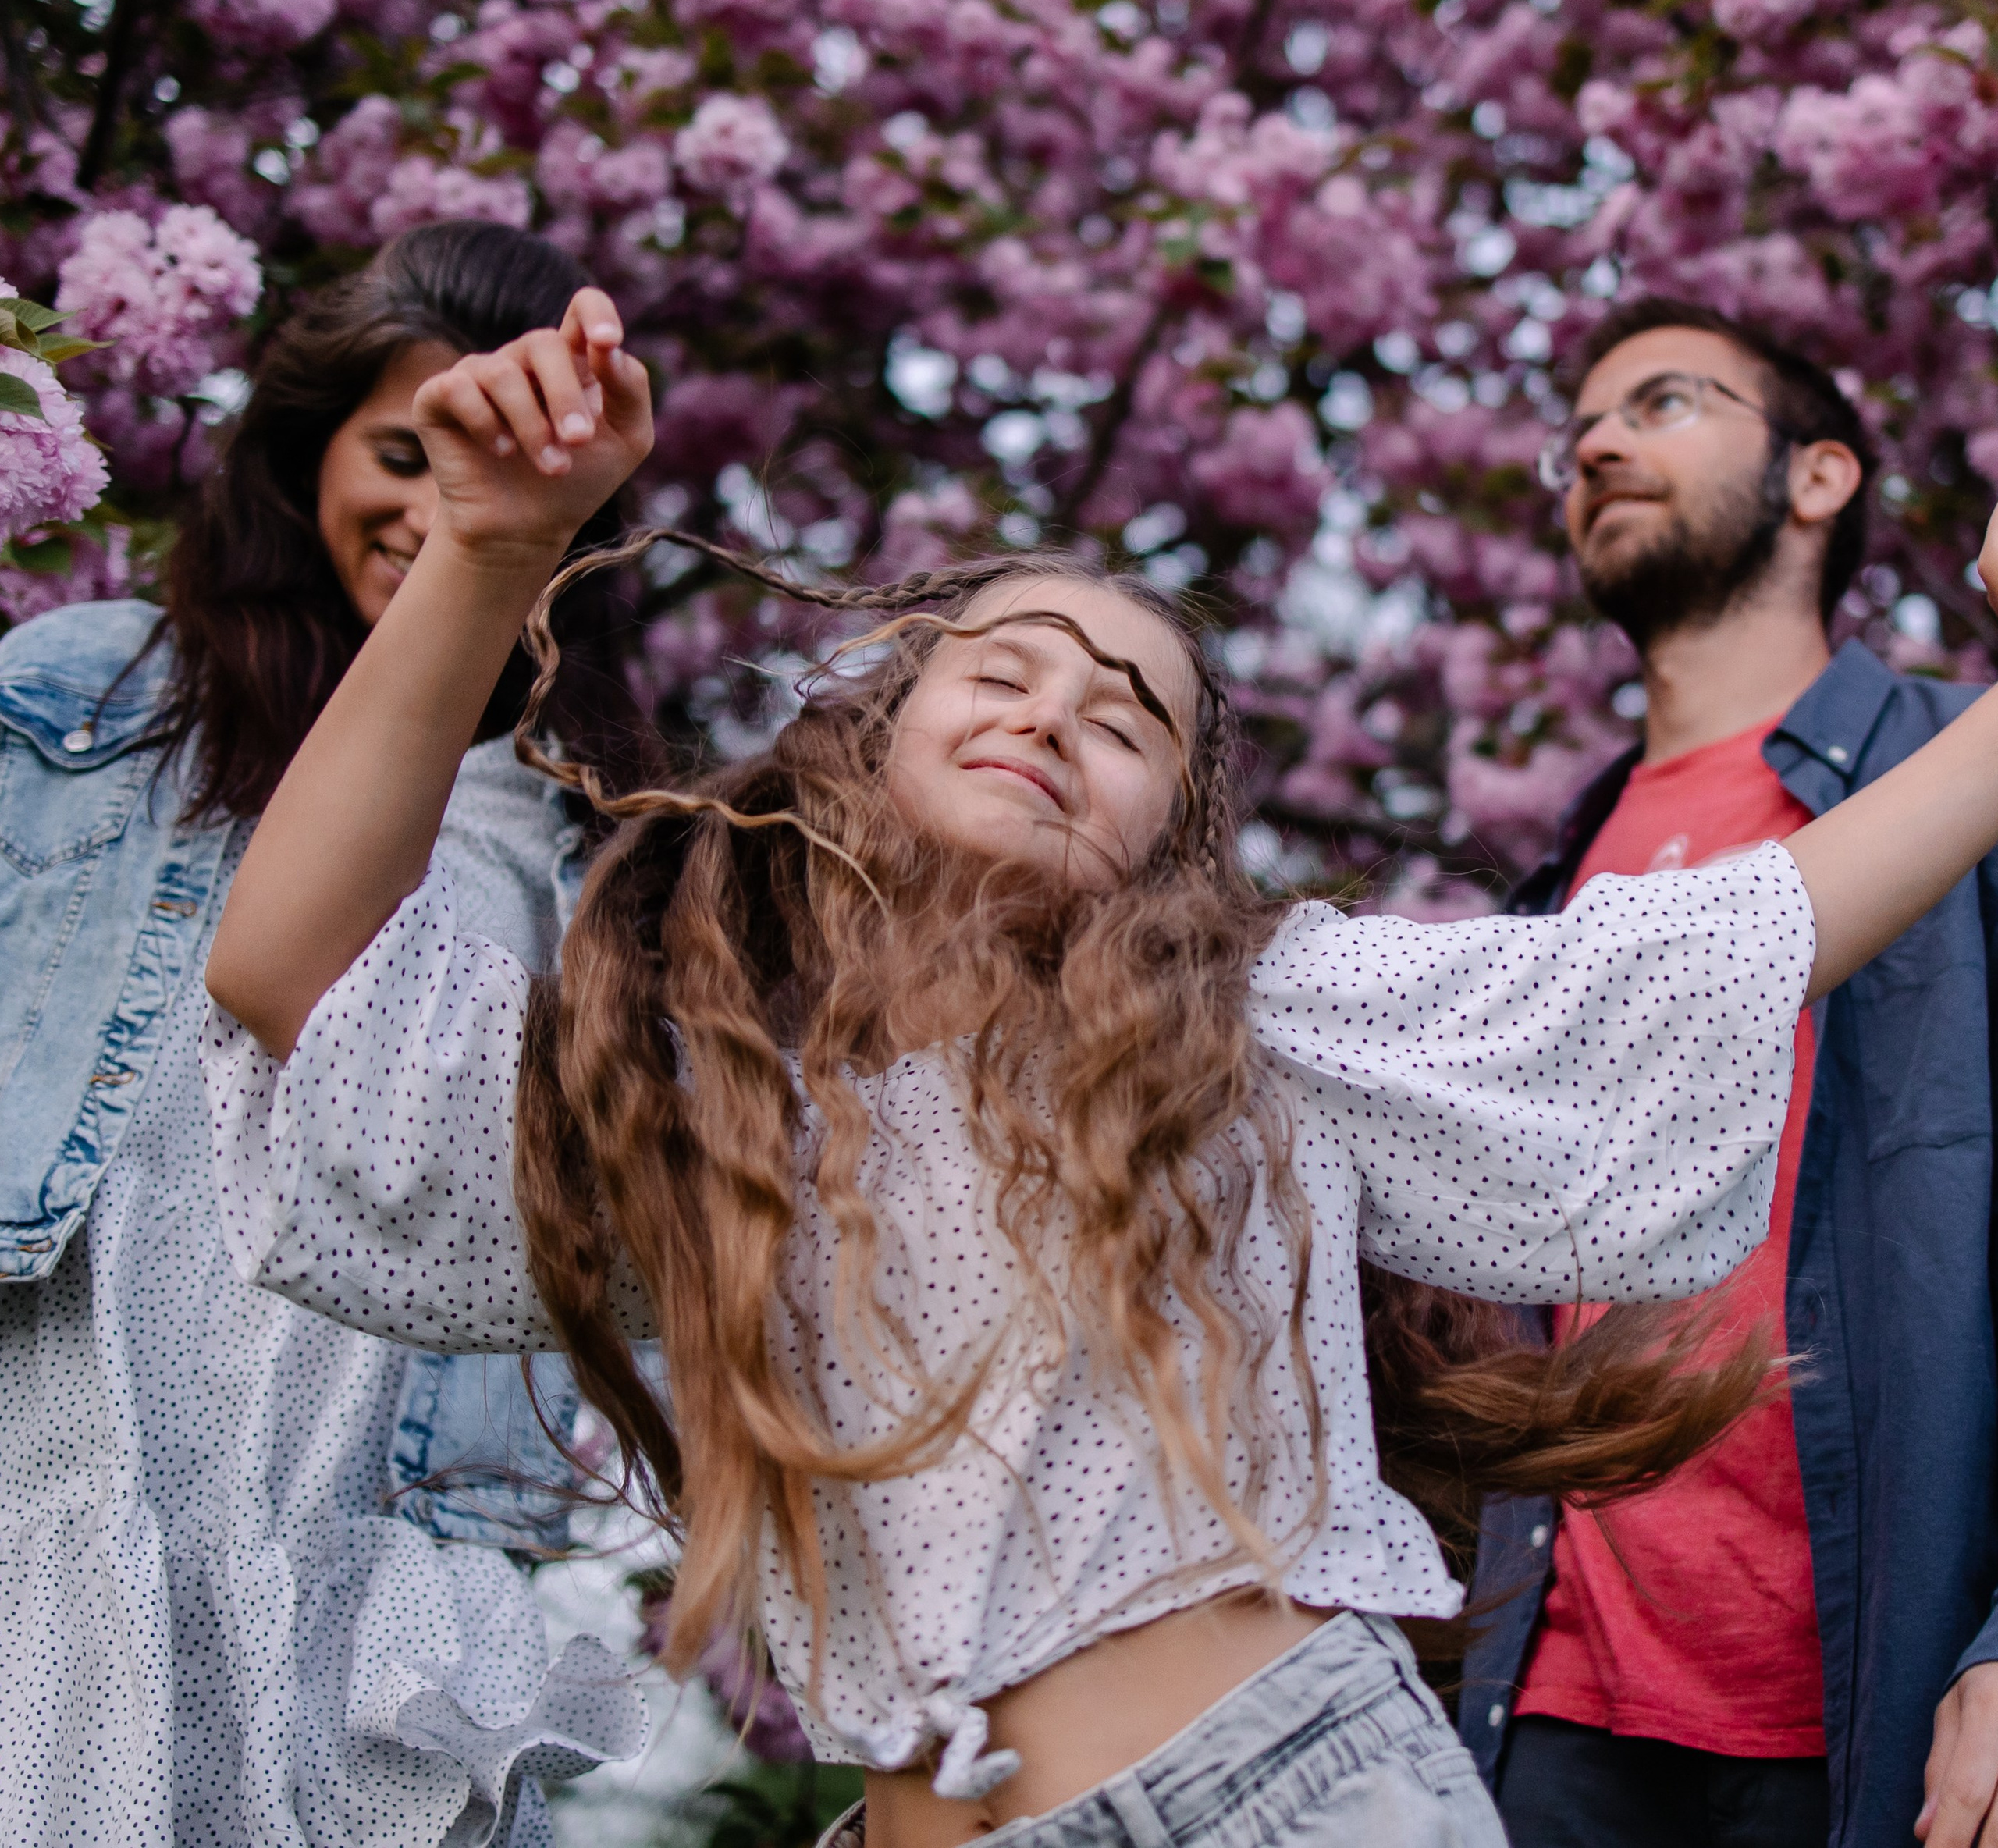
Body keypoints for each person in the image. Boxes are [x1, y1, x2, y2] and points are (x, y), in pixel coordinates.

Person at [198, 284, 1998, 1848]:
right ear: (872, 730)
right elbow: (292, 971)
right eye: (1004, 668)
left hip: (1279, 1792)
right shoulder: (716, 1100)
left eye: (1126, 712)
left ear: (1174, 837)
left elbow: (1696, 955)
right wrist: (492, 551)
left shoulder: (1260, 1021)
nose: (1054, 710)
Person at [0, 221, 652, 1848]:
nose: (437, 504)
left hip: (372, 1505)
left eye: (494, 465)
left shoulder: (615, 844)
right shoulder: (89, 697)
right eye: (403, 448)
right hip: (61, 1419)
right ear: (304, 460)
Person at [1456, 296, 1998, 1848]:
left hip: (1866, 1686)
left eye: (1662, 402)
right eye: (1578, 430)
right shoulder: (1559, 877)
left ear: (1817, 477)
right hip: (1555, 1691)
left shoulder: (1945, 780)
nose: (1597, 445)